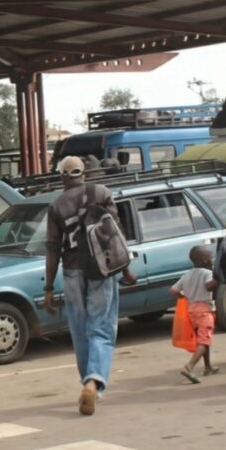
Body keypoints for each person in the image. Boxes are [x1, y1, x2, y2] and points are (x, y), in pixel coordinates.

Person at [43, 156, 136, 416]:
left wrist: (48, 288)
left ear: (62, 176)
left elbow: (52, 249)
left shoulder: (56, 206)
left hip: (72, 271)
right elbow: (115, 233)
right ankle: (93, 381)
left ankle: (87, 379)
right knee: (102, 328)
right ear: (83, 173)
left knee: (80, 329)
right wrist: (126, 268)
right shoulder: (101, 192)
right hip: (103, 270)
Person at [169, 246, 219, 383]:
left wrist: (181, 295)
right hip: (204, 311)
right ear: (204, 260)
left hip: (192, 311)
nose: (212, 261)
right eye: (211, 258)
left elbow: (173, 290)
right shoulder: (207, 273)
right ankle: (189, 367)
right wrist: (220, 278)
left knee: (202, 338)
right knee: (204, 340)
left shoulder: (187, 275)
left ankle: (208, 366)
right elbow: (209, 286)